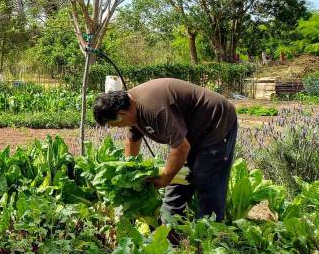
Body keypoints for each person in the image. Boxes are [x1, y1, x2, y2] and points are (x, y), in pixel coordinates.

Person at [92, 78, 238, 222]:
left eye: (116, 124)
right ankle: (171, 229)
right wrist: (129, 172)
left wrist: (165, 178)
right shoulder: (131, 107)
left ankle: (211, 231)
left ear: (122, 114)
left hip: (216, 123)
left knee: (205, 179)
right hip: (189, 133)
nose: (118, 127)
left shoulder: (154, 108)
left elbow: (181, 148)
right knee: (178, 179)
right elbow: (132, 141)